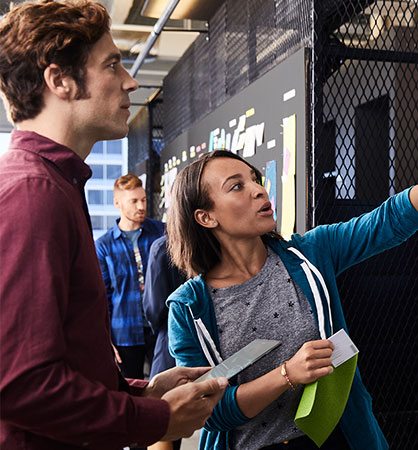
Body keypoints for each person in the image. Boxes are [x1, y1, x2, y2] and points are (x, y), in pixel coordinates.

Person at [166, 101, 418, 449]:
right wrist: (287, 375)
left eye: (254, 179)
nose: (260, 189)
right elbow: (209, 410)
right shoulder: (189, 309)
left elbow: (390, 219)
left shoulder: (311, 253)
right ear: (206, 217)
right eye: (237, 186)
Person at [0, 1, 227, 448]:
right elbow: (18, 382)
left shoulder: (54, 185)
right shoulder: (33, 193)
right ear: (59, 80)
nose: (130, 80)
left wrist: (141, 393)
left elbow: (60, 362)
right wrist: (152, 419)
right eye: (112, 64)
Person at [96, 174, 165, 379]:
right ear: (117, 203)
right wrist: (105, 338)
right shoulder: (104, 245)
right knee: (130, 391)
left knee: (168, 386)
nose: (141, 206)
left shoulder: (162, 232)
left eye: (143, 200)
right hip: (124, 332)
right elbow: (103, 296)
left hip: (160, 327)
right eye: (134, 201)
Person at [143, 234, 186, 450]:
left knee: (165, 418)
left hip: (170, 336)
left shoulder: (162, 247)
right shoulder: (213, 236)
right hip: (211, 333)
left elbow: (153, 307)